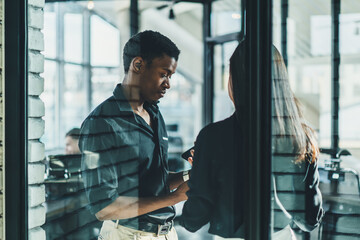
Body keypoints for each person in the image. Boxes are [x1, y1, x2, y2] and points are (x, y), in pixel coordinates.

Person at [180, 41, 324, 239]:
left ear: (235, 81)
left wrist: (201, 174)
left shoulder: (213, 137)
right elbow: (310, 219)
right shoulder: (302, 137)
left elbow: (194, 218)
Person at [79, 30, 190, 240]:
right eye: (164, 74)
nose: (168, 84)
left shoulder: (154, 113)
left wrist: (190, 177)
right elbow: (105, 207)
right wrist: (174, 198)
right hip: (127, 235)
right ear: (138, 65)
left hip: (166, 234)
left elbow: (151, 181)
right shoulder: (102, 124)